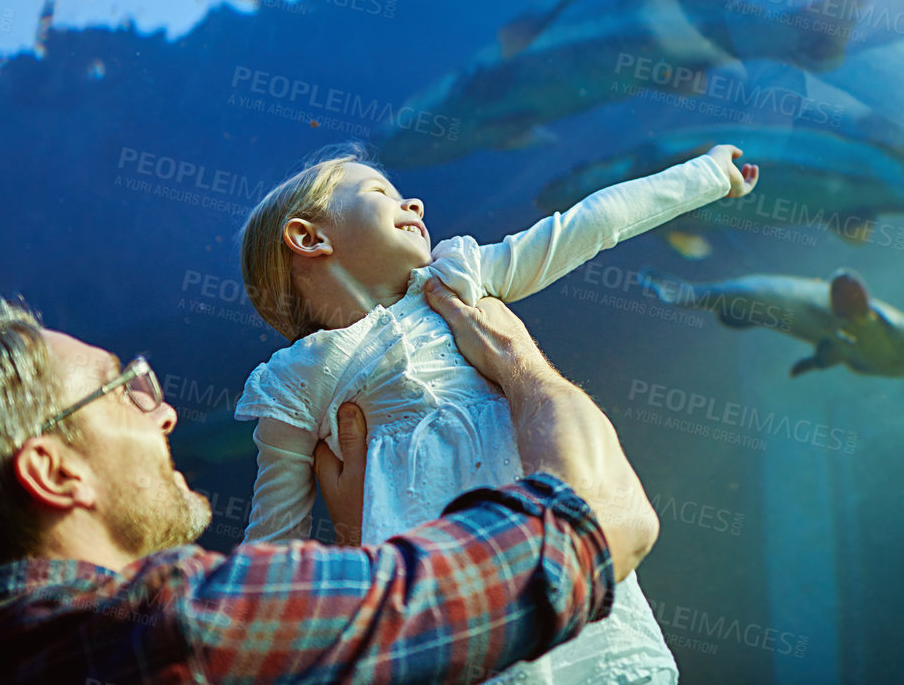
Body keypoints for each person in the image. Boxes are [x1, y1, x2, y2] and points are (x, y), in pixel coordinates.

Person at [0, 285, 658, 684]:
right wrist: (515, 356)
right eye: (127, 388)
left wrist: (365, 544)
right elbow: (598, 528)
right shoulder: (180, 626)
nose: (166, 412)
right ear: (52, 469)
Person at [235, 140, 759, 685]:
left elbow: (592, 222)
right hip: (434, 595)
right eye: (379, 192)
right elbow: (273, 539)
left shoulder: (460, 278)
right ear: (308, 237)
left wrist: (708, 175)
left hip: (547, 541)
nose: (413, 203)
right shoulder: (293, 379)